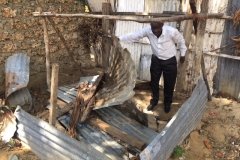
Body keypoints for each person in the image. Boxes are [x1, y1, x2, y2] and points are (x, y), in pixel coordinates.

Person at [119, 22, 187, 113]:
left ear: (162, 25)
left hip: (169, 61)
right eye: (153, 29)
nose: (155, 31)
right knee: (154, 82)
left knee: (169, 84)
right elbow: (134, 35)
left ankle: (167, 103)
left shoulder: (172, 32)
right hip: (156, 60)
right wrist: (119, 38)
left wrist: (183, 54)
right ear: (150, 26)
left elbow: (181, 41)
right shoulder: (148, 31)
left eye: (157, 29)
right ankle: (154, 101)